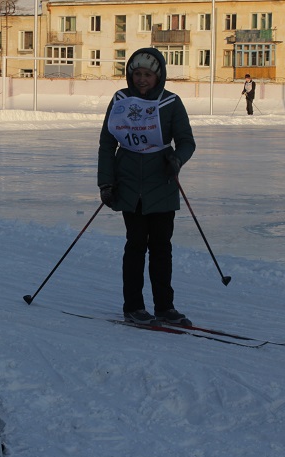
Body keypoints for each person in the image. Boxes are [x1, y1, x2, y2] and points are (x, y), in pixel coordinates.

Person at [97, 47, 196, 326]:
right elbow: (108, 143)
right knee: (136, 245)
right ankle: (134, 307)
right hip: (129, 186)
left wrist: (176, 159)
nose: (141, 79)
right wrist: (106, 182)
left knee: (162, 248)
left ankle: (165, 307)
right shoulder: (120, 100)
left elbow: (187, 141)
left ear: (159, 76)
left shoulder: (171, 102)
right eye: (137, 74)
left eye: (147, 74)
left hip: (161, 184)